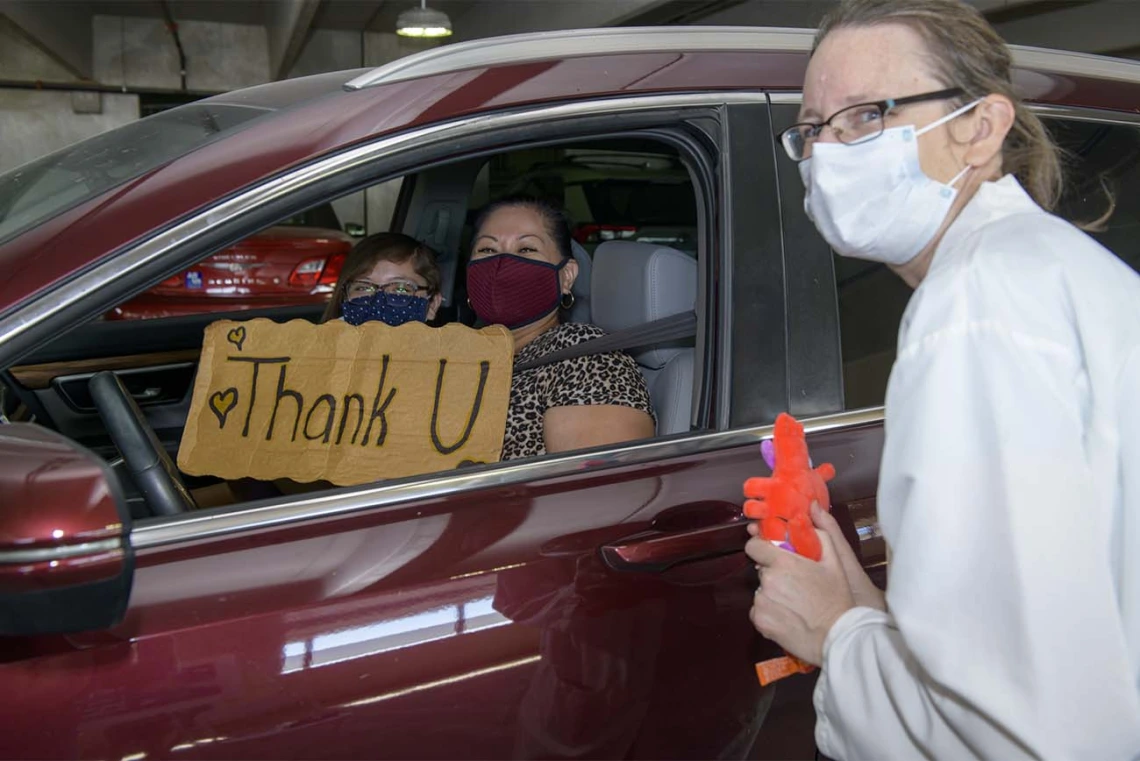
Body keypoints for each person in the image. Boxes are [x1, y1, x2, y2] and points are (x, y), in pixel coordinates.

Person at [744, 0, 1140, 758]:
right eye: (813, 126)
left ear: (981, 129)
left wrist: (838, 630)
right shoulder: (1035, 268)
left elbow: (1013, 730)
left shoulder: (979, 305)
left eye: (865, 116)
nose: (828, 152)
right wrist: (862, 600)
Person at [466, 196, 656, 460]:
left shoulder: (585, 355)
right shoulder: (458, 354)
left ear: (566, 276)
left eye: (526, 249)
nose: (501, 264)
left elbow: (599, 490)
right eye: (487, 250)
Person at [320, 232, 442, 326]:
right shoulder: (317, 353)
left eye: (401, 289)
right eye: (363, 288)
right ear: (344, 297)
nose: (378, 303)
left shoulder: (448, 357)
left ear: (432, 304)